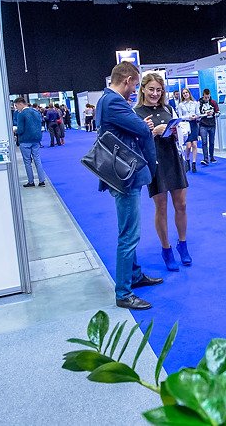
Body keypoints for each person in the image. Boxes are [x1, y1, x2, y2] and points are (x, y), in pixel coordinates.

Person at [96, 61, 162, 310]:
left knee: (128, 230)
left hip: (121, 172)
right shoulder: (114, 102)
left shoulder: (106, 100)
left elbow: (133, 128)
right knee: (129, 234)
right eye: (135, 85)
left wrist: (142, 127)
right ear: (127, 81)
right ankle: (123, 292)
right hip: (125, 175)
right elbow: (141, 130)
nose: (134, 90)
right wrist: (145, 127)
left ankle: (134, 275)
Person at [134, 73, 191, 271]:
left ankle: (182, 244)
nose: (155, 93)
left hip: (173, 159)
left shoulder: (168, 108)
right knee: (162, 207)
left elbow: (182, 132)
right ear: (143, 89)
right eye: (151, 89)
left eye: (159, 90)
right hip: (155, 163)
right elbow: (134, 143)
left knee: (181, 205)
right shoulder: (136, 112)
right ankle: (166, 249)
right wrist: (150, 132)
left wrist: (176, 131)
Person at [14, 97, 47, 188]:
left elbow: (20, 130)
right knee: (37, 160)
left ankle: (31, 181)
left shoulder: (21, 114)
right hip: (36, 139)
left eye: (16, 106)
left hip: (25, 140)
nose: (16, 108)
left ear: (20, 104)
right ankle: (42, 180)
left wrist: (15, 130)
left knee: (27, 162)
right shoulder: (36, 112)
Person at [177, 88, 200, 173]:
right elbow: (180, 117)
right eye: (183, 93)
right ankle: (187, 160)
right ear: (182, 95)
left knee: (194, 144)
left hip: (194, 124)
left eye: (186, 92)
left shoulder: (195, 103)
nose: (185, 94)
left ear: (189, 93)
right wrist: (188, 117)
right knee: (188, 145)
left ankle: (194, 163)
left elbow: (198, 114)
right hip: (186, 125)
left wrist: (196, 117)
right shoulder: (180, 105)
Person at [198, 89, 219, 165]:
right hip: (203, 125)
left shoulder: (213, 102)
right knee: (204, 142)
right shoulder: (199, 103)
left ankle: (212, 157)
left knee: (212, 142)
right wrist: (205, 114)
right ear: (203, 95)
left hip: (212, 124)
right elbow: (198, 114)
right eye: (205, 97)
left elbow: (218, 112)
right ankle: (205, 159)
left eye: (208, 97)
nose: (207, 98)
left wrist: (213, 114)